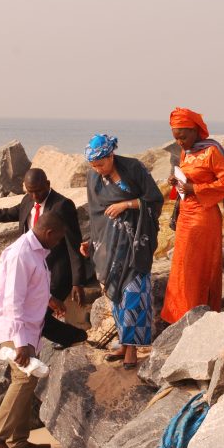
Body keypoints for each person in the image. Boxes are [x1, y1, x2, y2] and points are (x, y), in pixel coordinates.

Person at [0, 167, 87, 348]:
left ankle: (73, 337)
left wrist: (77, 282)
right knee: (27, 310)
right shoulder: (27, 200)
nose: (35, 196)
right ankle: (63, 337)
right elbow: (3, 214)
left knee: (39, 314)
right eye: (30, 192)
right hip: (30, 268)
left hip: (55, 270)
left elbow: (74, 244)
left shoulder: (62, 205)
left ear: (48, 184)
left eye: (38, 191)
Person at [0, 209, 66, 448]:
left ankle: (17, 441)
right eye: (58, 238)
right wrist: (21, 343)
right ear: (48, 233)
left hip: (28, 327)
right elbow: (12, 301)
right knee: (23, 377)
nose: (58, 243)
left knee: (28, 380)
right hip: (15, 327)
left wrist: (49, 300)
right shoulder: (21, 254)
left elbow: (31, 286)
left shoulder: (36, 251)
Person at [80, 134, 164, 370]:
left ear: (111, 155)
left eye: (101, 164)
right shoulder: (93, 178)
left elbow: (155, 199)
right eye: (93, 165)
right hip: (109, 244)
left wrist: (126, 204)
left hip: (135, 241)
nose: (98, 169)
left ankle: (133, 349)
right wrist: (90, 241)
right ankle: (124, 343)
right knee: (116, 296)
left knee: (134, 295)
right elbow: (95, 214)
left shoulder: (134, 168)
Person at [162, 108, 224, 323]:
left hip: (204, 218)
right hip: (186, 215)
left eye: (183, 137)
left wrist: (195, 188)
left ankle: (197, 315)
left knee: (198, 268)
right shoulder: (186, 152)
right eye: (176, 138)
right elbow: (186, 182)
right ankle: (179, 315)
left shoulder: (211, 151)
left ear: (196, 131)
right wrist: (176, 182)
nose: (180, 142)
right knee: (181, 267)